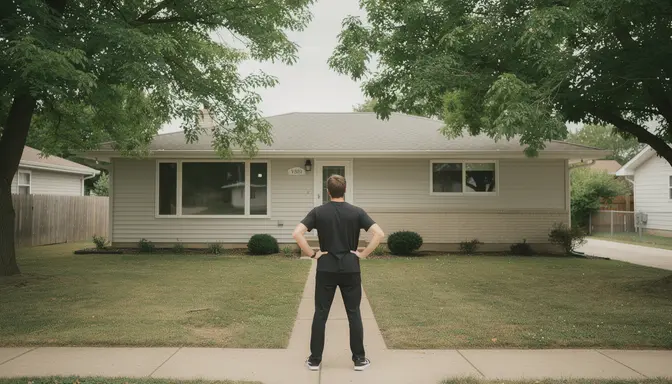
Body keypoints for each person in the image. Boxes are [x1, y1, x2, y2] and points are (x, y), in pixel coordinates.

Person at [292, 174, 385, 372]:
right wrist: (362, 254)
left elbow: (297, 233)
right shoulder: (356, 212)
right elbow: (379, 234)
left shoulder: (318, 212)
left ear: (328, 191)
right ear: (345, 190)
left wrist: (313, 254)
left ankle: (314, 360)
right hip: (351, 268)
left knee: (320, 313)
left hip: (326, 267)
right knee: (354, 313)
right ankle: (359, 360)